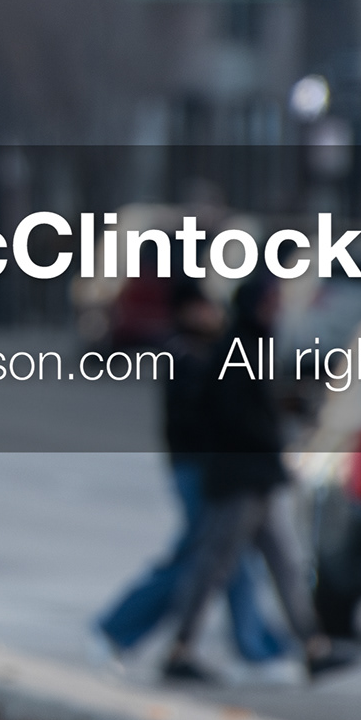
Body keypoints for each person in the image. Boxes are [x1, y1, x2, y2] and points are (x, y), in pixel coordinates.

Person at [158, 275, 356, 684]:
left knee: (283, 563)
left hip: (256, 476)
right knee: (214, 565)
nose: (277, 309)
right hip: (239, 479)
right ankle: (180, 649)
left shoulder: (251, 347)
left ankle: (313, 645)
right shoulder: (235, 350)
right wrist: (272, 441)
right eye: (271, 302)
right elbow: (234, 418)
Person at [94, 282, 294, 669]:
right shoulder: (186, 354)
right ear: (186, 311)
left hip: (214, 468)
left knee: (227, 561)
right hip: (198, 469)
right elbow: (209, 417)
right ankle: (120, 629)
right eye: (203, 308)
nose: (212, 315)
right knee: (203, 559)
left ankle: (257, 646)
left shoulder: (210, 350)